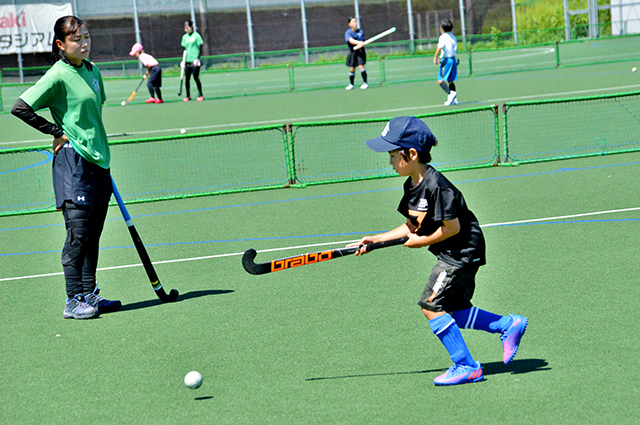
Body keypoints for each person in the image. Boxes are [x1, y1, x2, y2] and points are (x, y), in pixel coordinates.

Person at [351, 116, 528, 386]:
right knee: (453, 311)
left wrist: (420, 242)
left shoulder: (436, 185)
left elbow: (452, 228)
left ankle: (466, 365)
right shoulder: (411, 185)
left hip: (461, 252)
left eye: (391, 154)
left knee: (431, 306)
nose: (389, 161)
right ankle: (508, 325)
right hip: (455, 251)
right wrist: (376, 240)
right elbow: (412, 224)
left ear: (410, 154)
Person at [11, 15, 121, 319]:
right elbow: (20, 107)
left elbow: (92, 116)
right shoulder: (57, 74)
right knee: (79, 234)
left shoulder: (94, 71)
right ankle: (73, 300)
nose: (84, 43)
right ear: (61, 44)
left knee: (94, 235)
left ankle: (90, 294)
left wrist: (101, 154)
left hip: (99, 162)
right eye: (76, 39)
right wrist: (55, 132)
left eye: (86, 36)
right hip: (72, 163)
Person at [433, 19, 458, 106]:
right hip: (453, 59)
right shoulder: (453, 37)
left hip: (447, 60)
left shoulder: (443, 37)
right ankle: (454, 100)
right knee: (450, 80)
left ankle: (450, 94)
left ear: (442, 28)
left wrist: (435, 57)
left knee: (440, 80)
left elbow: (440, 47)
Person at [181, 20, 205, 102]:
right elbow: (184, 49)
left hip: (195, 60)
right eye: (185, 28)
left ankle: (200, 94)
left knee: (195, 77)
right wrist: (183, 60)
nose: (186, 29)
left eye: (187, 27)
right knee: (187, 79)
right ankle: (188, 95)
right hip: (187, 60)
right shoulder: (184, 37)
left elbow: (200, 47)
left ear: (191, 27)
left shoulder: (196, 35)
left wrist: (197, 58)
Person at [344, 17, 368, 90]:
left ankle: (365, 83)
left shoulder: (360, 31)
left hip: (360, 51)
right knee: (352, 68)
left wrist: (361, 44)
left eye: (356, 22)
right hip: (353, 51)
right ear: (349, 24)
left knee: (361, 66)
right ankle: (351, 84)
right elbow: (351, 40)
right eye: (353, 22)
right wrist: (359, 43)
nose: (355, 23)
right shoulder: (348, 32)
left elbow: (361, 41)